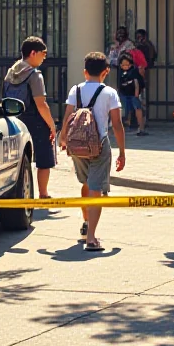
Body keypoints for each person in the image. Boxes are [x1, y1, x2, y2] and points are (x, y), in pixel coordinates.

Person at [61, 52, 126, 252]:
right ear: (106, 72)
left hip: (78, 145)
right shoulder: (110, 93)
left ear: (85, 72)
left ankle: (86, 221)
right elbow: (117, 124)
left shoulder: (76, 89)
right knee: (96, 189)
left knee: (87, 183)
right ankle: (91, 238)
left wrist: (64, 138)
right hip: (99, 145)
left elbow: (67, 116)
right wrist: (122, 151)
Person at [4, 37, 57, 199]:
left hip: (15, 121)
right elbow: (41, 104)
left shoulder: (11, 72)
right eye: (43, 53)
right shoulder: (35, 75)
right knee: (44, 159)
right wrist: (52, 125)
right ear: (33, 53)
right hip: (35, 122)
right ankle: (43, 193)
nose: (44, 57)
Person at [118, 52, 147, 136]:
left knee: (138, 109)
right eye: (123, 65)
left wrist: (136, 94)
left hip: (134, 94)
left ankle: (141, 127)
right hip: (124, 93)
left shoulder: (133, 71)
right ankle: (129, 125)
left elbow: (136, 83)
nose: (125, 67)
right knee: (126, 110)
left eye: (127, 65)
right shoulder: (121, 72)